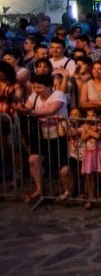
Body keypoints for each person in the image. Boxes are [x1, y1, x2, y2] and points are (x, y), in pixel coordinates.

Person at [19, 72, 70, 203]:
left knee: (63, 165)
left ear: (49, 86)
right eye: (35, 87)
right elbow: (27, 107)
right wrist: (21, 108)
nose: (37, 90)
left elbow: (50, 111)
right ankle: (40, 189)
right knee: (33, 159)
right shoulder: (34, 96)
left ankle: (67, 190)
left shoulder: (58, 95)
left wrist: (30, 112)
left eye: (40, 87)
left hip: (60, 135)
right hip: (43, 134)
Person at [79, 108, 101, 209]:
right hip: (89, 152)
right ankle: (91, 198)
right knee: (89, 175)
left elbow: (97, 136)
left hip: (99, 151)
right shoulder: (86, 126)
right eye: (88, 115)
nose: (90, 117)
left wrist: (88, 130)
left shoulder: (100, 125)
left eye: (93, 115)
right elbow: (83, 138)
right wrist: (89, 131)